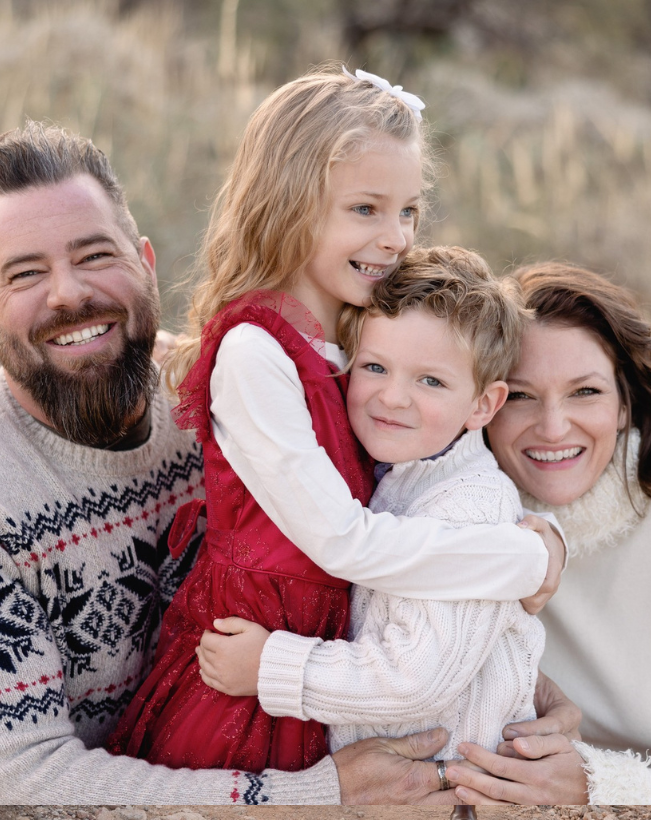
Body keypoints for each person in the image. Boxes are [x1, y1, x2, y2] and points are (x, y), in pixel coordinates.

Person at [0, 119, 504, 806]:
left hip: (304, 710)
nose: (66, 293)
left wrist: (533, 681)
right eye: (24, 273)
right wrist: (316, 797)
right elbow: (25, 779)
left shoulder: (233, 391)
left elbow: (424, 489)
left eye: (94, 255)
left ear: (145, 261)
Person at [108, 64, 565, 775]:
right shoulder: (257, 352)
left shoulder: (365, 340)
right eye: (366, 209)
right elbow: (343, 542)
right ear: (288, 205)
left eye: (408, 211)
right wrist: (521, 560)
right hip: (254, 656)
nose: (396, 238)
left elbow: (446, 466)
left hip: (331, 657)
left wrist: (550, 533)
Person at [196, 245, 545, 765]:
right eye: (375, 367)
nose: (393, 397)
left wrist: (272, 666)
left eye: (431, 381)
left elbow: (414, 681)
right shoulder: (391, 468)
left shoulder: (472, 504)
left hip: (447, 783)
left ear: (483, 404)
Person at [443, 262, 651, 805]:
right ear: (481, 406)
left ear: (624, 404)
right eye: (520, 395)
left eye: (585, 391)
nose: (553, 427)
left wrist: (594, 787)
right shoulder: (453, 524)